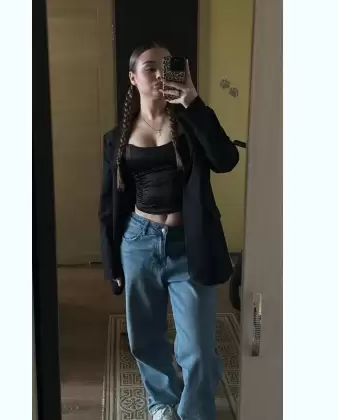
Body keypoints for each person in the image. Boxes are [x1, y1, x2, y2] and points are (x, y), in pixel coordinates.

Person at [99, 42, 239, 420]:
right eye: (150, 68)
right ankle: (162, 404)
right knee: (146, 338)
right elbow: (109, 205)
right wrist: (111, 262)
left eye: (168, 65)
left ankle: (195, 411)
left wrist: (192, 100)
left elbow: (226, 159)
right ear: (133, 78)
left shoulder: (191, 123)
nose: (160, 74)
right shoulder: (117, 137)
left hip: (189, 243)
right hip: (138, 243)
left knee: (198, 349)